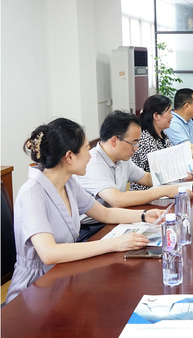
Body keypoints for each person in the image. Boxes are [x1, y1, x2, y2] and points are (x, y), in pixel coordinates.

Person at [5, 118, 158, 303]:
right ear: (69, 157)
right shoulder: (32, 193)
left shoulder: (69, 183)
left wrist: (144, 216)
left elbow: (105, 213)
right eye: (86, 149)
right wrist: (115, 244)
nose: (90, 156)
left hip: (64, 274)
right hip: (35, 289)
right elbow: (49, 253)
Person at [76, 110, 191, 238]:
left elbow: (147, 179)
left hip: (113, 219)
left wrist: (181, 173)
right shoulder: (93, 163)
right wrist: (165, 190)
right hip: (91, 229)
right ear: (114, 141)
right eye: (133, 143)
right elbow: (117, 199)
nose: (136, 148)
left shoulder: (122, 159)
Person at [130, 94, 193, 191]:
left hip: (165, 188)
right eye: (169, 112)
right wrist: (189, 167)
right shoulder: (144, 138)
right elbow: (161, 170)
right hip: (147, 192)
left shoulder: (162, 134)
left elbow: (174, 158)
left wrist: (192, 165)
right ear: (156, 116)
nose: (172, 116)